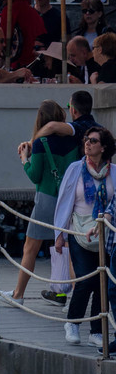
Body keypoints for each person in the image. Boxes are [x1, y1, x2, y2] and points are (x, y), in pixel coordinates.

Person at [52, 125, 116, 349]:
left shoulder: (113, 172)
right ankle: (73, 322)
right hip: (78, 230)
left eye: (93, 140)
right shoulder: (75, 169)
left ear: (104, 147)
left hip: (105, 234)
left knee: (103, 280)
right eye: (86, 140)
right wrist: (59, 234)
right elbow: (64, 202)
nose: (87, 143)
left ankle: (97, 330)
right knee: (86, 278)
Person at [13, 100, 78, 300]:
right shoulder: (75, 140)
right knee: (69, 249)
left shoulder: (41, 142)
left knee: (30, 248)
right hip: (69, 200)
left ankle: (18, 294)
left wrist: (25, 159)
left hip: (47, 197)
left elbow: (35, 175)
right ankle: (72, 298)